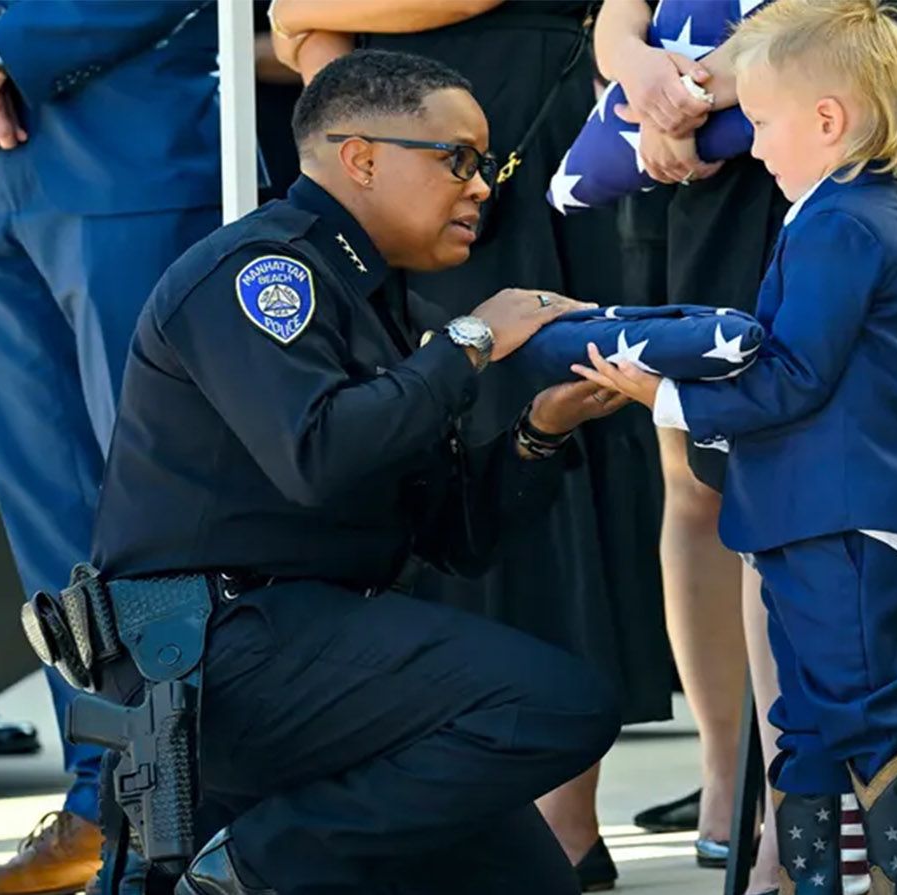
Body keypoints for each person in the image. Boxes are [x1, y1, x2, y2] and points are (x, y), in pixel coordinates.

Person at [88, 50, 626, 895]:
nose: (482, 185)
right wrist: (469, 345)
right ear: (361, 158)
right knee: (556, 704)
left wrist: (539, 430)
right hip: (216, 648)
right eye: (459, 159)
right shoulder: (266, 273)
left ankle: (246, 864)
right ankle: (254, 867)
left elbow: (454, 538)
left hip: (306, 644)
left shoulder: (376, 298)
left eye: (483, 163)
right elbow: (319, 456)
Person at [268, 8, 668, 886]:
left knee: (536, 415)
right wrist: (336, 82)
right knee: (410, 434)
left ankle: (563, 817)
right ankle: (470, 789)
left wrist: (308, 10)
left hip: (509, 106)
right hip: (380, 134)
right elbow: (304, 35)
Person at [576, 3, 897, 892]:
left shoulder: (847, 223)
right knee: (808, 723)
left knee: (867, 716)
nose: (752, 146)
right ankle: (812, 877)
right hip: (807, 515)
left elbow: (794, 376)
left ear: (827, 120)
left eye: (764, 123)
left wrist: (663, 393)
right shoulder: (831, 213)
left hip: (851, 518)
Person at [0, 2, 220, 891]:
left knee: (155, 507)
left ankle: (192, 807)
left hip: (134, 145)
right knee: (47, 513)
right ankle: (101, 798)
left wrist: (2, 52)